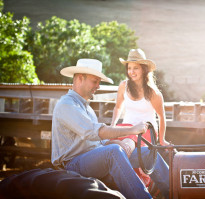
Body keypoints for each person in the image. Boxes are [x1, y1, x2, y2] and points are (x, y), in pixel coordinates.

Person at [51, 58, 169, 199]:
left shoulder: (86, 108)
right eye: (95, 81)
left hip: (91, 157)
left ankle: (175, 192)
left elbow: (96, 142)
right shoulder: (67, 104)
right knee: (112, 153)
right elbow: (94, 132)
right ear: (80, 78)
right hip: (72, 163)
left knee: (147, 153)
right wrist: (131, 130)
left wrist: (114, 142)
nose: (98, 86)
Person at [111, 49, 169, 147]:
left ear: (143, 69)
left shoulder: (153, 93)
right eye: (129, 68)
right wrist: (112, 126)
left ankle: (123, 151)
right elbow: (118, 107)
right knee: (108, 139)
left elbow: (161, 116)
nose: (131, 72)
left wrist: (162, 139)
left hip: (146, 130)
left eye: (136, 68)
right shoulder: (123, 86)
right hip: (127, 128)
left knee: (129, 141)